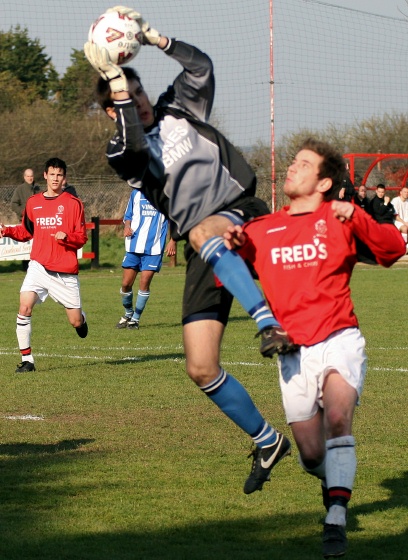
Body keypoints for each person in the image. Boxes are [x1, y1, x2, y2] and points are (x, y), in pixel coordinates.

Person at [84, 6, 294, 490]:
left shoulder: (179, 106)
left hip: (244, 210)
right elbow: (132, 140)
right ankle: (267, 441)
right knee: (200, 366)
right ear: (112, 108)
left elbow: (201, 67)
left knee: (202, 231)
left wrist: (156, 38)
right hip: (205, 246)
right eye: (125, 96)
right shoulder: (122, 153)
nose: (136, 100)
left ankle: (268, 324)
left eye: (137, 91)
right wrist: (115, 82)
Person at [223, 138, 406, 558]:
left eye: (303, 164)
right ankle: (332, 482)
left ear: (324, 182)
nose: (292, 168)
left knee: (339, 417)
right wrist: (232, 243)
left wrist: (356, 216)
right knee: (309, 454)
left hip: (340, 337)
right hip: (292, 352)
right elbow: (227, 275)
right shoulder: (262, 228)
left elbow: (394, 250)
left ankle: (336, 519)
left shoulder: (339, 217)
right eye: (292, 162)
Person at [0, 157, 88, 373]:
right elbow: (26, 231)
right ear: (45, 176)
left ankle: (82, 319)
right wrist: (6, 230)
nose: (55, 178)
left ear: (64, 177)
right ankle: (27, 360)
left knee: (75, 322)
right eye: (52, 174)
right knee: (24, 307)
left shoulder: (73, 203)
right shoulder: (33, 203)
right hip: (38, 266)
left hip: (65, 272)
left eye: (60, 175)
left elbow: (82, 237)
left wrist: (66, 236)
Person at [116, 189, 176, 329]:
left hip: (154, 248)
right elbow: (128, 215)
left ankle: (135, 319)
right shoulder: (136, 193)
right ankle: (128, 313)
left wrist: (173, 240)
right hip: (133, 245)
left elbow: (174, 220)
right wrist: (127, 226)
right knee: (125, 284)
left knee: (144, 282)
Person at [11, 168, 42, 271]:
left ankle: (38, 266)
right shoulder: (20, 189)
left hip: (38, 223)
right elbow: (14, 204)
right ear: (24, 177)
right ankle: (25, 267)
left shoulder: (38, 189)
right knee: (26, 245)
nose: (30, 178)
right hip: (25, 222)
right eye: (28, 176)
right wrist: (22, 212)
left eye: (31, 176)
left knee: (38, 245)